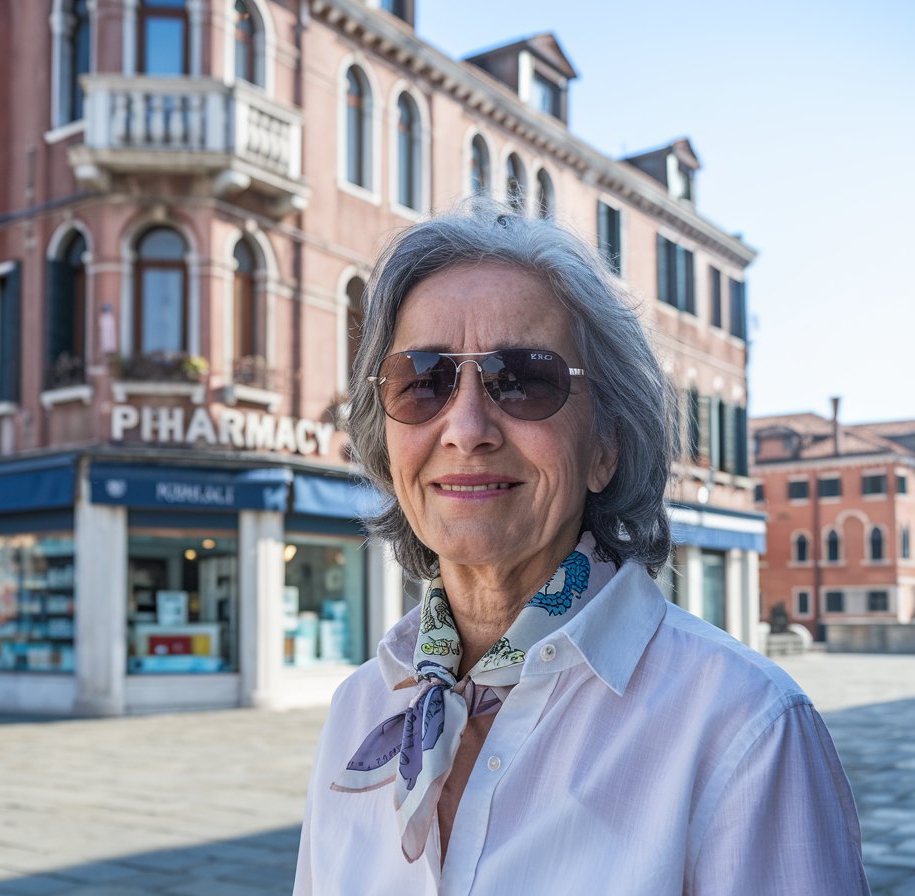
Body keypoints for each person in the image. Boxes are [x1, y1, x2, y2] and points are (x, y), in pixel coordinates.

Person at [293, 202, 869, 895]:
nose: (466, 428)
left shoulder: (743, 727)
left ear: (606, 445)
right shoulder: (360, 711)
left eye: (524, 380)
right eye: (423, 381)